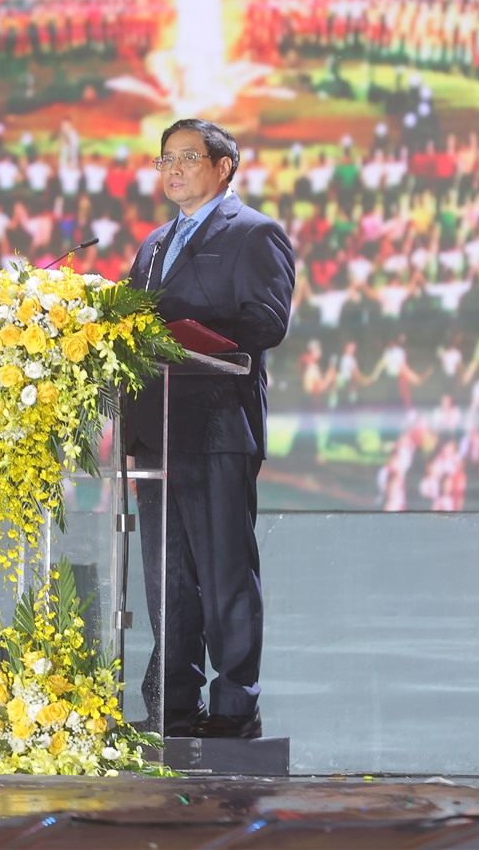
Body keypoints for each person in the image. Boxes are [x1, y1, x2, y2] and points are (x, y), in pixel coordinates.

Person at [123, 118, 295, 741]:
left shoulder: (254, 234)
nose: (171, 169)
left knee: (224, 573)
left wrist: (184, 332)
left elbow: (266, 322)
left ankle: (233, 706)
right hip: (158, 432)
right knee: (167, 579)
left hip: (219, 427)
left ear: (224, 166)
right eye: (163, 159)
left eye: (186, 158)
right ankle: (174, 703)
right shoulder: (151, 245)